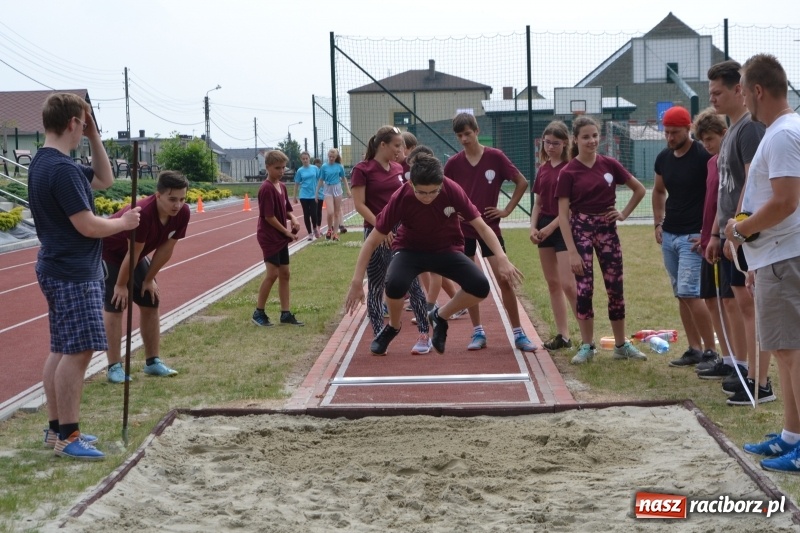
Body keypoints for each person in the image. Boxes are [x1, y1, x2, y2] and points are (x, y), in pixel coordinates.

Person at [29, 93, 140, 460]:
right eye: (84, 124)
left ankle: (56, 428)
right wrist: (122, 223)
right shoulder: (61, 170)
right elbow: (87, 225)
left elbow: (106, 179)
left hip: (58, 265)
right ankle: (68, 436)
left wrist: (95, 137)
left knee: (62, 348)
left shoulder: (46, 162)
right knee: (78, 351)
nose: (84, 131)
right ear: (72, 123)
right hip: (73, 271)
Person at [345, 152, 523, 356]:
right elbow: (371, 241)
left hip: (446, 250)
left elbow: (482, 227)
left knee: (480, 286)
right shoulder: (401, 196)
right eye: (422, 192)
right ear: (412, 184)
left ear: (441, 184)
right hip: (410, 250)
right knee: (393, 284)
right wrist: (357, 281)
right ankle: (393, 327)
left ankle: (440, 316)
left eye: (433, 192)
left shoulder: (452, 190)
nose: (428, 197)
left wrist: (502, 257)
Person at [729, 54, 800, 469]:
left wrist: (740, 231)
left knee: (791, 352)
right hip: (776, 256)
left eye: (742, 87)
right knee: (787, 348)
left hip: (784, 256)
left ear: (757, 90)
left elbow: (786, 202)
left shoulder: (781, 134)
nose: (741, 96)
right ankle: (792, 434)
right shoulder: (781, 132)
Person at [701, 60, 769, 403]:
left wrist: (736, 232)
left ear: (738, 90)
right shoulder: (730, 133)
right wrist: (716, 233)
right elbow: (723, 192)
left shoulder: (750, 130)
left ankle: (760, 381)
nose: (712, 98)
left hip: (746, 235)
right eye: (710, 92)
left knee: (750, 305)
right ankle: (746, 370)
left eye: (718, 92)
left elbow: (752, 184)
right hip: (730, 233)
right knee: (739, 304)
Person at [555, 115, 647, 364]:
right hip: (581, 230)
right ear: (576, 139)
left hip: (608, 231)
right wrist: (572, 251)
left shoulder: (610, 164)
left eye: (595, 136)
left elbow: (639, 189)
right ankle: (587, 346)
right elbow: (563, 216)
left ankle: (621, 345)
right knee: (584, 290)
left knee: (615, 289)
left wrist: (623, 213)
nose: (591, 141)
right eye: (585, 137)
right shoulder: (568, 172)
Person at [443, 113, 536, 352]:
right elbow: (441, 193)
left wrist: (506, 210)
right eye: (459, 135)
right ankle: (478, 332)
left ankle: (518, 333)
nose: (464, 139)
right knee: (469, 283)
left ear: (477, 130)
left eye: (467, 133)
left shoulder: (495, 157)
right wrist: (453, 211)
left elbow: (522, 182)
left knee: (504, 280)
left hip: (490, 230)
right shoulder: (453, 163)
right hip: (462, 232)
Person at [101, 171, 191, 384]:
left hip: (136, 255)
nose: (177, 205)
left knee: (151, 300)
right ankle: (114, 366)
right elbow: (132, 253)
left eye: (182, 199)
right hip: (110, 252)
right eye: (172, 199)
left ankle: (152, 362)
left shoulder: (183, 213)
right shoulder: (144, 213)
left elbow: (165, 250)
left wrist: (149, 279)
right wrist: (121, 285)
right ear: (158, 195)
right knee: (116, 304)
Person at [350, 126, 431, 354]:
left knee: (412, 283)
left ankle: (424, 335)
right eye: (396, 145)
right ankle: (379, 335)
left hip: (401, 232)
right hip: (377, 231)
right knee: (376, 287)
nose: (400, 150)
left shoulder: (398, 167)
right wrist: (381, 226)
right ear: (382, 145)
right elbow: (359, 205)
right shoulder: (362, 169)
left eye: (402, 146)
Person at [651, 106, 718, 368]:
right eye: (666, 133)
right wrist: (658, 223)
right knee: (681, 293)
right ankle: (694, 349)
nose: (669, 138)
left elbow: (716, 192)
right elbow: (658, 192)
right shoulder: (663, 158)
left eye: (674, 133)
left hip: (693, 237)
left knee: (691, 293)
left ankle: (712, 351)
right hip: (670, 235)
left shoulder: (703, 155)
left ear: (688, 129)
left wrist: (708, 232)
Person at [691, 109, 736, 381]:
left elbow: (726, 203)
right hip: (709, 240)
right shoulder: (710, 163)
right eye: (702, 140)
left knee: (728, 301)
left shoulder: (729, 162)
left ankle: (736, 360)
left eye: (710, 138)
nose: (706, 145)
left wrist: (719, 235)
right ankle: (726, 358)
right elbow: (710, 202)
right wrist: (706, 234)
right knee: (710, 299)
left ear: (724, 134)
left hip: (723, 240)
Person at [530, 121, 577, 351]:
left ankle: (586, 338)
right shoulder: (543, 169)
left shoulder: (570, 168)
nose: (550, 147)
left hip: (564, 227)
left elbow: (568, 208)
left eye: (555, 143)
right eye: (547, 142)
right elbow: (537, 203)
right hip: (545, 226)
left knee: (569, 285)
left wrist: (550, 229)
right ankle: (563, 336)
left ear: (565, 143)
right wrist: (533, 228)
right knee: (553, 284)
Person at [252, 150, 304, 327]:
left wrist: (294, 219)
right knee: (272, 273)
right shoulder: (266, 189)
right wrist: (287, 232)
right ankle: (258, 312)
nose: (281, 171)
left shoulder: (281, 186)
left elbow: (286, 209)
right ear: (267, 167)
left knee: (285, 273)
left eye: (283, 168)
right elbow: (269, 217)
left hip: (280, 236)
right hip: (269, 236)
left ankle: (285, 313)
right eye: (277, 168)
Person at [315, 148, 350, 242]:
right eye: (330, 156)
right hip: (328, 189)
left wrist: (348, 190)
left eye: (333, 157)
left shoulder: (339, 166)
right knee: (330, 212)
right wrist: (316, 193)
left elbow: (344, 178)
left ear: (336, 157)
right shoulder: (324, 167)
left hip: (337, 189)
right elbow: (321, 180)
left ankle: (335, 233)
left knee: (337, 212)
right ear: (328, 156)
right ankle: (329, 229)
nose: (331, 158)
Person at [293, 151, 322, 241]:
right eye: (303, 159)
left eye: (306, 158)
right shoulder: (300, 170)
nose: (305, 160)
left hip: (313, 195)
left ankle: (314, 228)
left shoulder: (315, 168)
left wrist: (323, 190)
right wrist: (294, 196)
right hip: (304, 195)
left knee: (314, 213)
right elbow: (297, 183)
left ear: (309, 159)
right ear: (301, 160)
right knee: (306, 214)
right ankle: (309, 233)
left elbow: (320, 179)